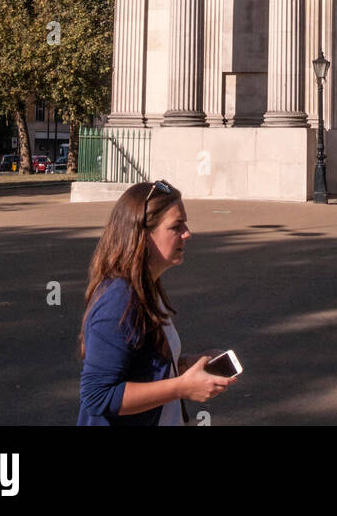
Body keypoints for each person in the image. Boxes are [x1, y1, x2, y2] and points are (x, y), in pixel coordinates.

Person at [78, 180, 237, 425]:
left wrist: (185, 366)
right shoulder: (118, 300)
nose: (187, 233)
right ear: (143, 236)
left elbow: (143, 368)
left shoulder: (145, 287)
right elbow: (97, 396)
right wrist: (181, 388)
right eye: (176, 226)